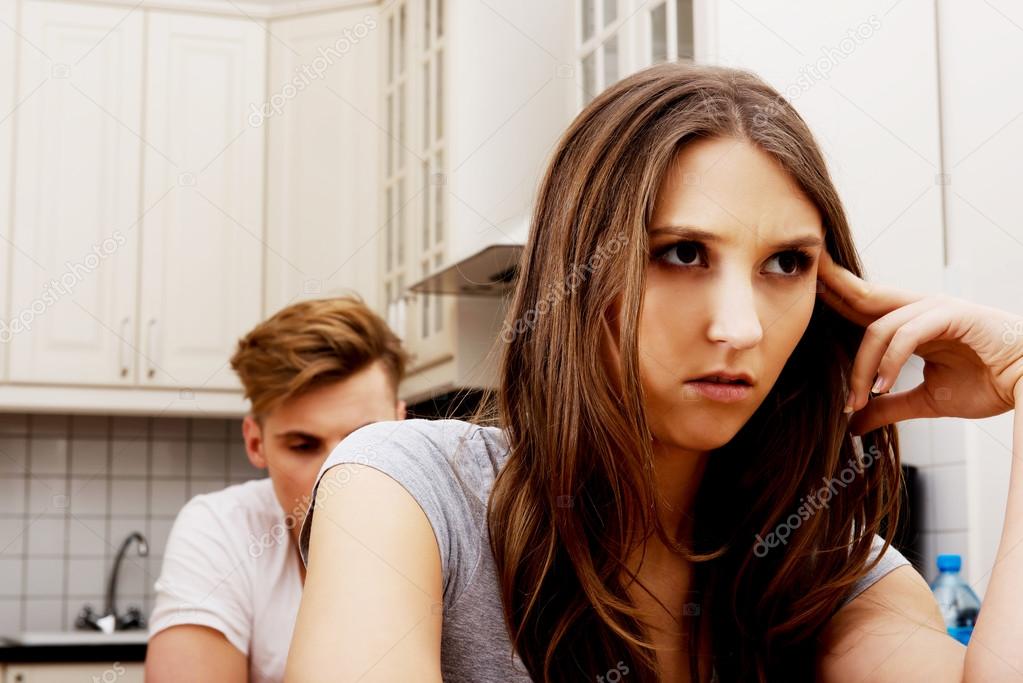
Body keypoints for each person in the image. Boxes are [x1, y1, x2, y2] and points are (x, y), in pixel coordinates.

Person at [286, 63, 1023, 682]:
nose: (738, 327)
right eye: (679, 252)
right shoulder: (407, 492)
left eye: (785, 263)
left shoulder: (827, 574)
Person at [145, 297, 408, 683]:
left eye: (365, 440)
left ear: (404, 428)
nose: (334, 477)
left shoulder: (453, 533)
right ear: (256, 443)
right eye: (303, 446)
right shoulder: (221, 529)